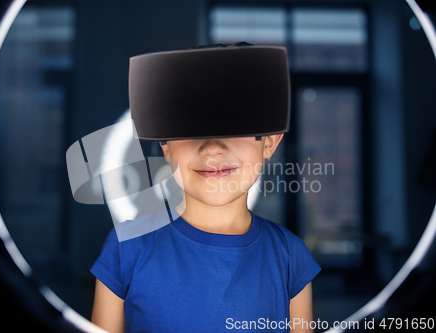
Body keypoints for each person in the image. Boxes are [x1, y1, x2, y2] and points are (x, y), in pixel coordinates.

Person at [89, 44, 321, 333]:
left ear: (270, 142)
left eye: (236, 124)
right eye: (191, 125)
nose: (212, 148)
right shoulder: (126, 247)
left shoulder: (290, 256)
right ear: (165, 143)